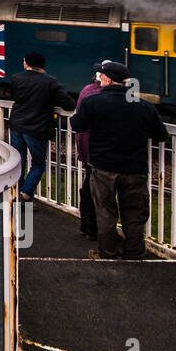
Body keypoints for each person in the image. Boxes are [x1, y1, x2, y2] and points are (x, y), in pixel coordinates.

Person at [71, 60, 170, 261]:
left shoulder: (93, 102)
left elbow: (78, 125)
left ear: (107, 79)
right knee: (134, 212)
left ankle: (107, 252)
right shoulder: (144, 106)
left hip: (103, 167)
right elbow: (161, 135)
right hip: (135, 167)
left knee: (105, 211)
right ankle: (134, 252)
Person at [8, 51, 75, 201]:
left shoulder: (16, 78)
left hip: (17, 125)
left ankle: (17, 191)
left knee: (18, 161)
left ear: (26, 63)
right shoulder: (51, 82)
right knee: (38, 163)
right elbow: (69, 104)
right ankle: (26, 192)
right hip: (37, 128)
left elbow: (14, 96)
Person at [72, 66, 105, 240]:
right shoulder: (126, 99)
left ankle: (87, 226)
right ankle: (96, 230)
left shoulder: (87, 92)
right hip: (104, 155)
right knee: (101, 195)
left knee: (89, 188)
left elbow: (77, 122)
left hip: (88, 150)